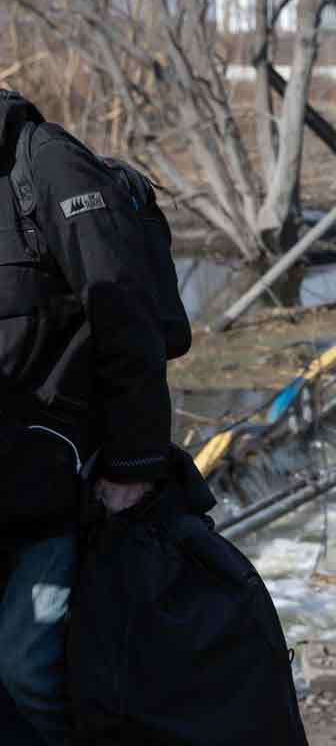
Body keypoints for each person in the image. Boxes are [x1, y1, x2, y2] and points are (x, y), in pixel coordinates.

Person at [0, 91, 171, 743]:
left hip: (64, 482)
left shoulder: (45, 165)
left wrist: (134, 463)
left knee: (29, 668)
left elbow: (126, 317)